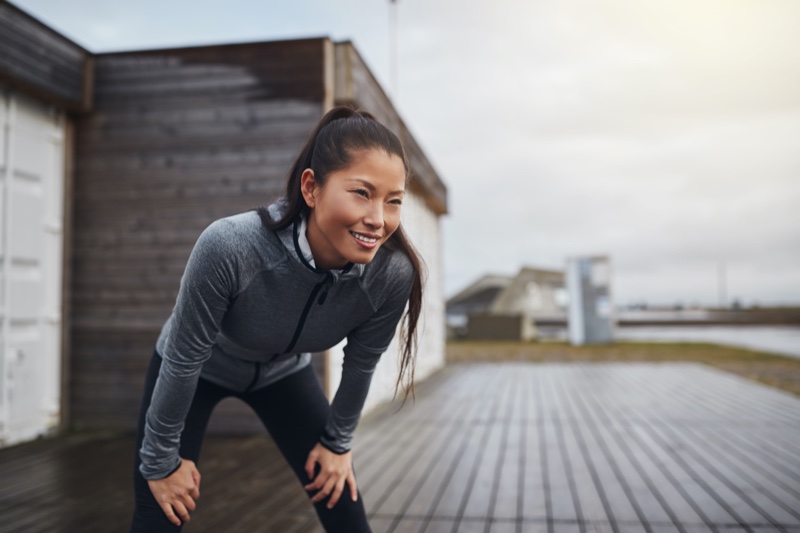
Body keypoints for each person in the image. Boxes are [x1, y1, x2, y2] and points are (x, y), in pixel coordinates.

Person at [130, 106, 424, 532]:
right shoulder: (230, 246)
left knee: (342, 502)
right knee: (159, 511)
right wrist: (159, 464)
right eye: (362, 192)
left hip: (284, 375)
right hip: (196, 370)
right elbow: (183, 361)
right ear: (311, 188)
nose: (379, 220)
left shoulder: (391, 274)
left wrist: (337, 446)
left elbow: (361, 364)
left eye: (393, 201)